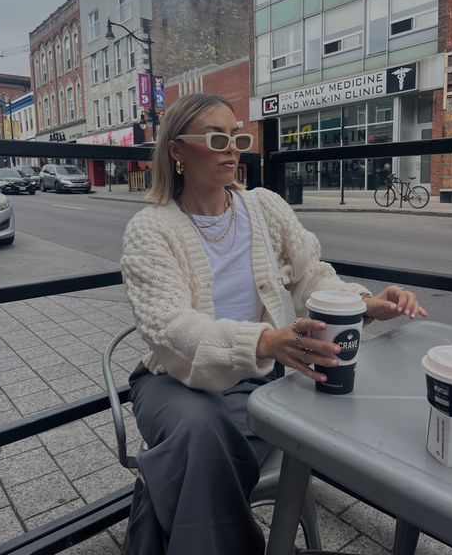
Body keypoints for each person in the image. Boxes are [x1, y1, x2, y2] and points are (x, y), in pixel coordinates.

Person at [121, 93, 427, 555]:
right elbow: (170, 328)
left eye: (238, 137)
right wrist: (265, 341)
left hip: (252, 378)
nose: (232, 148)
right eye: (216, 138)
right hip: (171, 382)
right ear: (177, 150)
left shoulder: (264, 207)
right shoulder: (150, 228)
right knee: (199, 430)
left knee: (189, 453)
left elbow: (312, 276)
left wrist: (365, 303)